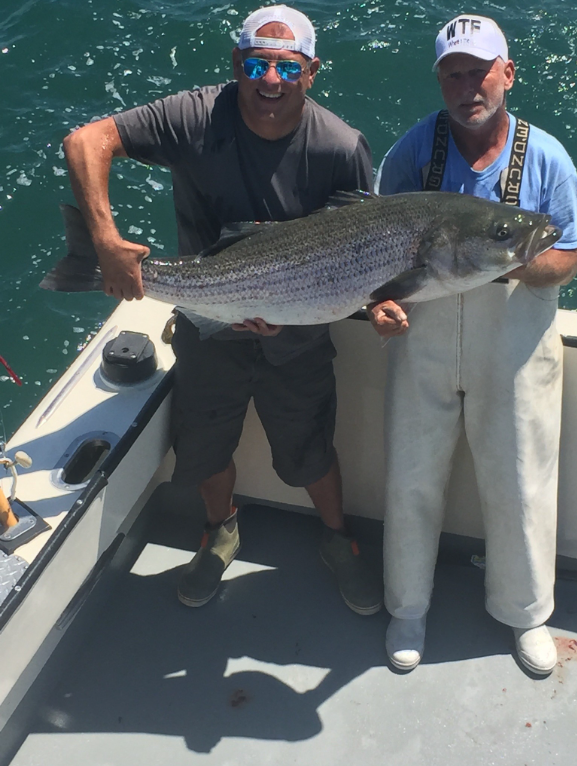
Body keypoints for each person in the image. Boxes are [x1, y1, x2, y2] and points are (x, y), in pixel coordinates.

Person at [62, 5, 383, 615]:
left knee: (310, 448)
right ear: (237, 63)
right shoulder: (195, 114)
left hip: (298, 331)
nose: (270, 81)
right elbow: (87, 140)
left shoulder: (341, 147)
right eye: (257, 64)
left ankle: (339, 539)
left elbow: (361, 253)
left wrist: (295, 312)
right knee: (206, 445)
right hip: (207, 322)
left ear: (311, 72)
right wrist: (104, 243)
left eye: (287, 68)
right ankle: (220, 531)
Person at [370, 14, 577, 673]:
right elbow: (373, 251)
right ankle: (406, 607)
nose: (468, 86)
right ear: (439, 81)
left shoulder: (545, 157)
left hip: (514, 348)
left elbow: (566, 253)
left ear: (507, 72)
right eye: (453, 74)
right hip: (422, 341)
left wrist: (494, 260)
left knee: (521, 480)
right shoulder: (409, 154)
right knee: (410, 476)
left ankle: (526, 616)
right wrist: (380, 305)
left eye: (479, 70)